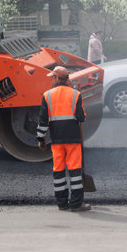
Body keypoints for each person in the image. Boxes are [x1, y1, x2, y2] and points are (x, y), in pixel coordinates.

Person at [36, 66, 91, 212]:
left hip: (56, 141)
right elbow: (81, 117)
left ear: (56, 78)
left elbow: (43, 121)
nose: (51, 80)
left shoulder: (47, 95)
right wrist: (80, 99)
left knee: (58, 172)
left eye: (52, 77)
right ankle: (77, 204)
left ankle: (62, 203)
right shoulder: (75, 94)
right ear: (67, 79)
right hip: (73, 140)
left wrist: (40, 139)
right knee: (75, 172)